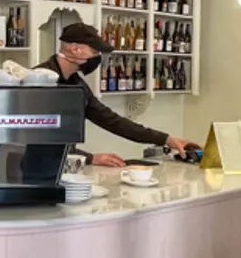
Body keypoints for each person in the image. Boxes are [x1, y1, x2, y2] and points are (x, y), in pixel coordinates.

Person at [38, 23, 195, 165]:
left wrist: (165, 139)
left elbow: (110, 119)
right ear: (75, 49)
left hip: (64, 168)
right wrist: (90, 158)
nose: (97, 57)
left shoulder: (76, 83)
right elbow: (38, 142)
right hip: (35, 171)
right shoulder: (39, 81)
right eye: (94, 51)